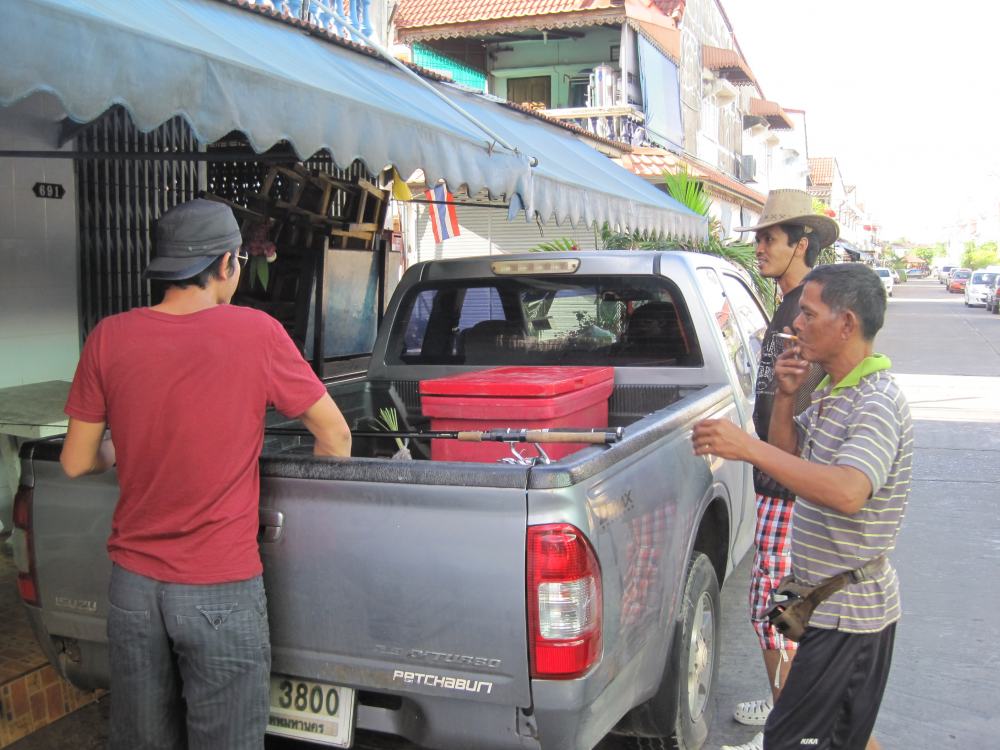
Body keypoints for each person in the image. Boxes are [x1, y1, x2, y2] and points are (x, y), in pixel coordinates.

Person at [60, 198, 352, 749]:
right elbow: (336, 436)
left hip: (133, 588)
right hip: (220, 585)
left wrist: (120, 453)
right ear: (226, 265)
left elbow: (76, 461)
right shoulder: (256, 333)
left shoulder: (109, 336)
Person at [692, 263, 912, 750]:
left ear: (847, 324)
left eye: (809, 315)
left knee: (791, 739)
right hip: (825, 604)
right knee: (841, 734)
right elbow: (788, 459)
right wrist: (788, 397)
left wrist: (747, 447)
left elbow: (849, 491)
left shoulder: (873, 404)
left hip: (849, 615)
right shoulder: (835, 393)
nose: (796, 324)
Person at [722, 190, 839, 750]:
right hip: (780, 481)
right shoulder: (790, 305)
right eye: (760, 237)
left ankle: (791, 732)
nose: (761, 247)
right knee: (775, 609)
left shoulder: (805, 313)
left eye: (771, 237)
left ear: (803, 243)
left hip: (786, 486)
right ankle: (782, 714)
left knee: (776, 613)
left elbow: (807, 402)